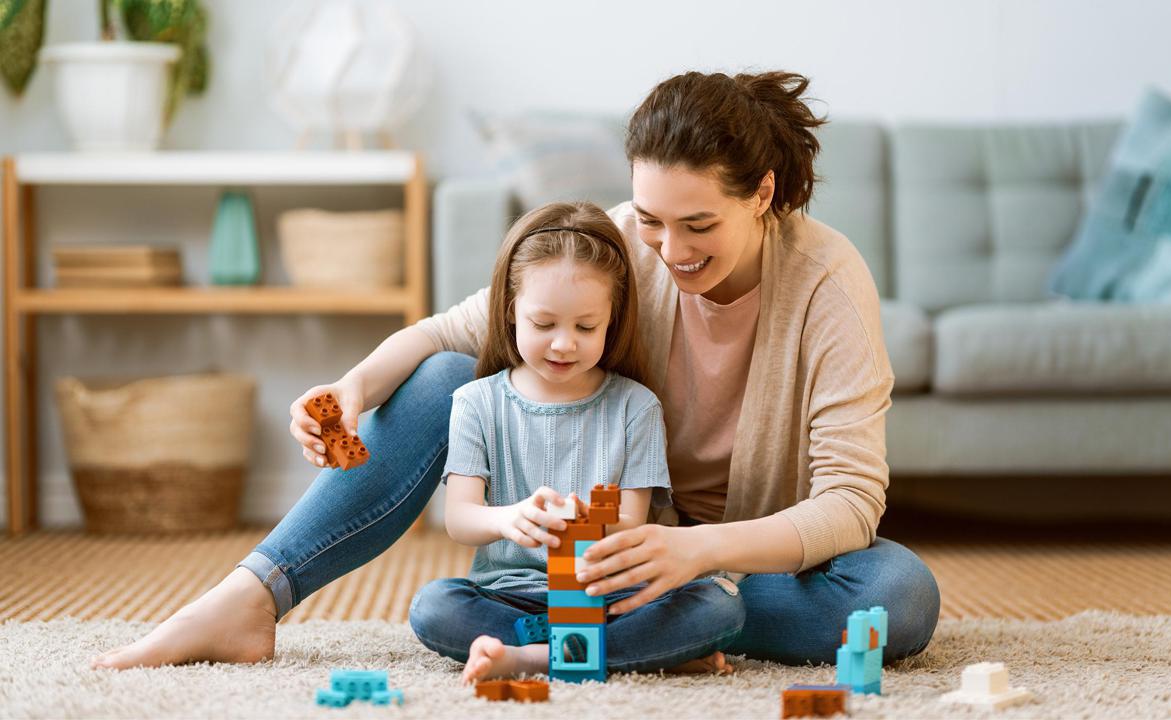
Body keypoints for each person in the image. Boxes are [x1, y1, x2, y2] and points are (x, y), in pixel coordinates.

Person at [91, 69, 940, 673]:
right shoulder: (622, 250)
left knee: (899, 594)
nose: (671, 253)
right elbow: (447, 332)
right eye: (651, 219)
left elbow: (852, 500)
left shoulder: (828, 282)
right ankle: (254, 595)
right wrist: (353, 389)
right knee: (443, 374)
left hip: (735, 556)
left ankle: (643, 628)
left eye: (698, 225)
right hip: (608, 563)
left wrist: (694, 552)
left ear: (761, 195)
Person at [407, 202, 741, 683]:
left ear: (611, 320)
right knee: (434, 605)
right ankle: (632, 654)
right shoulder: (476, 402)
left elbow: (631, 520)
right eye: (544, 325)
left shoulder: (636, 406)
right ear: (510, 310)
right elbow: (460, 519)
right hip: (512, 592)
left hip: (609, 594)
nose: (564, 344)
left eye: (585, 327)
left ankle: (532, 658)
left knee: (717, 606)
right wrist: (511, 517)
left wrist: (581, 526)